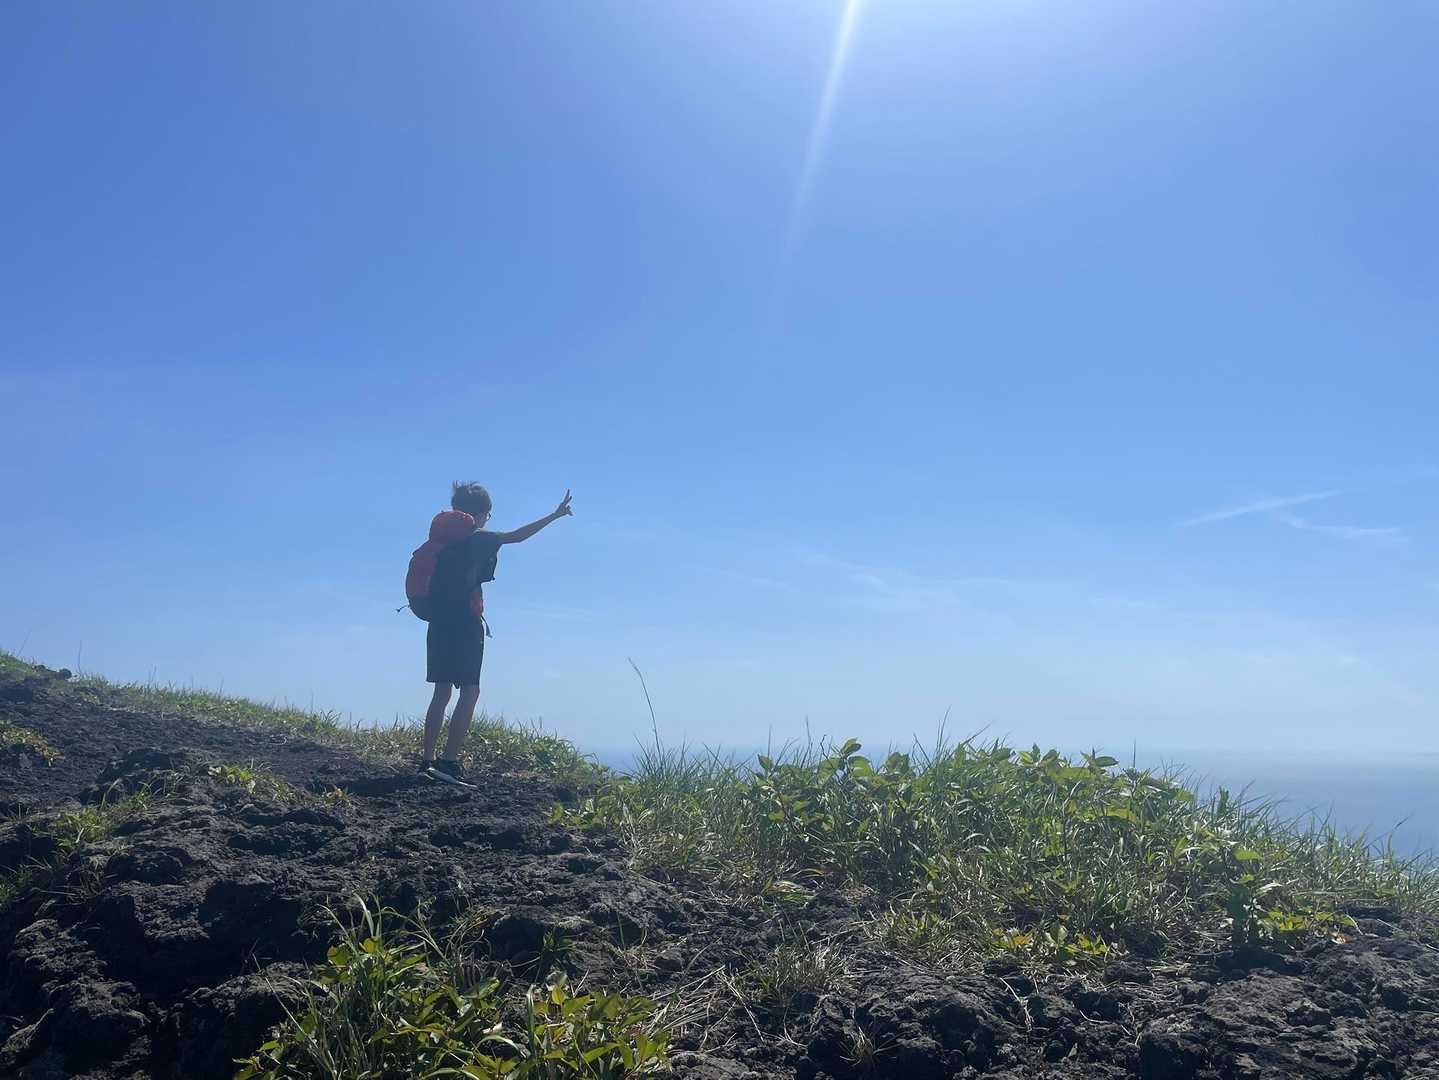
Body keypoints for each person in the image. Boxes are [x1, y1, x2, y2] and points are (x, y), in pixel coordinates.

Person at [420, 482, 573, 782]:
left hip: (438, 622)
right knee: (470, 690)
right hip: (466, 623)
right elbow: (517, 536)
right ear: (480, 514)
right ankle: (449, 762)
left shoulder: (439, 542)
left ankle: (426, 761)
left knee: (441, 692)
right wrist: (554, 515)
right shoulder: (479, 538)